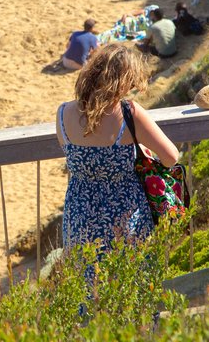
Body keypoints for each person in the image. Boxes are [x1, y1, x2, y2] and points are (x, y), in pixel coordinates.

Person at [58, 43, 180, 250]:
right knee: (128, 277)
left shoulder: (63, 112)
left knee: (86, 278)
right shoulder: (129, 113)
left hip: (78, 216)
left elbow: (72, 155)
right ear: (123, 81)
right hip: (124, 216)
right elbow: (171, 157)